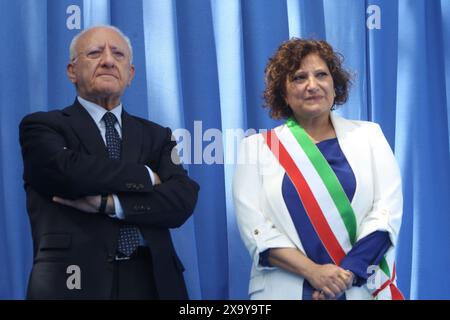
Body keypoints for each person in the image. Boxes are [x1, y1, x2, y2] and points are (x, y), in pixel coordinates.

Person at [19, 25, 199, 299]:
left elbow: (182, 198)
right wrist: (146, 177)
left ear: (130, 74)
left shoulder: (158, 135)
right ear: (71, 71)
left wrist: (112, 204)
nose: (107, 60)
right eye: (94, 53)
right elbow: (67, 173)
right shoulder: (42, 126)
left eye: (118, 54)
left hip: (153, 281)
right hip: (73, 280)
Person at [232, 38, 403, 300]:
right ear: (284, 93)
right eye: (299, 78)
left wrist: (343, 276)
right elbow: (257, 232)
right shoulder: (255, 149)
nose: (312, 85)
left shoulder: (370, 136)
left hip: (358, 289)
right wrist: (314, 273)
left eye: (321, 75)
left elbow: (386, 214)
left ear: (335, 85)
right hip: (285, 291)